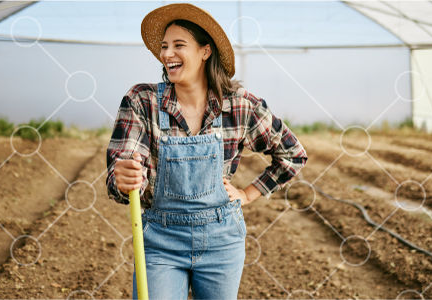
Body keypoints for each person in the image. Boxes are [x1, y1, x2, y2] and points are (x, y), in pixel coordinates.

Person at [106, 3, 307, 299]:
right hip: (161, 240)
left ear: (205, 51)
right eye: (164, 47)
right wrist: (123, 178)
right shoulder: (142, 101)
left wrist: (248, 194)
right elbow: (118, 177)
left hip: (221, 240)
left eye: (178, 45)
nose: (166, 54)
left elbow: (292, 154)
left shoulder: (239, 105)